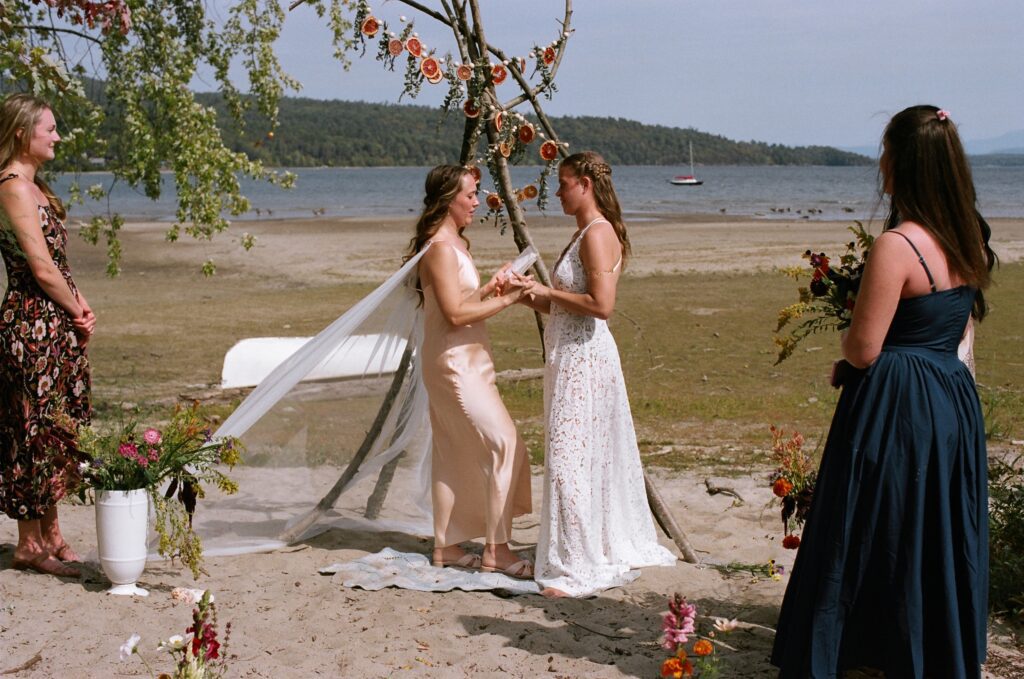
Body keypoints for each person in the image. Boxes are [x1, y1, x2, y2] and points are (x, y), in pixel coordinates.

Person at [772, 106, 990, 677]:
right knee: (931, 525)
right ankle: (927, 647)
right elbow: (957, 325)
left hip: (899, 405)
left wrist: (849, 333)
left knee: (872, 522)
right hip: (951, 398)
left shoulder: (899, 244)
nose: (881, 166)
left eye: (886, 154)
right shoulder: (966, 237)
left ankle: (859, 650)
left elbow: (863, 347)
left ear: (903, 164)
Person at [517, 151, 676, 597]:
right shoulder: (582, 233)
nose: (557, 191)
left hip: (586, 359)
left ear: (585, 184)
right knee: (575, 456)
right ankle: (576, 548)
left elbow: (601, 306)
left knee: (569, 461)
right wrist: (524, 295)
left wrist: (544, 289)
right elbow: (563, 301)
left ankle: (577, 563)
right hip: (568, 357)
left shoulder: (598, 233)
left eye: (564, 183)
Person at [410, 164, 534, 577]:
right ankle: (497, 550)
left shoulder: (451, 244)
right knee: (505, 443)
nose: (478, 202)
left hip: (463, 358)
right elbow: (455, 313)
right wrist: (511, 299)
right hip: (455, 363)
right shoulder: (442, 249)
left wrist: (491, 288)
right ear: (450, 200)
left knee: (451, 451)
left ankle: (446, 547)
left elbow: (461, 299)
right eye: (471, 195)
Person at [0, 93, 95, 578]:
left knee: (57, 429)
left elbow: (58, 265)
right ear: (22, 133)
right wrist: (74, 305)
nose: (57, 136)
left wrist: (81, 310)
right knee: (30, 429)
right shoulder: (12, 187)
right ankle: (28, 543)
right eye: (49, 129)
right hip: (30, 323)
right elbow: (38, 266)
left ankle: (54, 534)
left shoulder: (39, 188)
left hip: (53, 320)